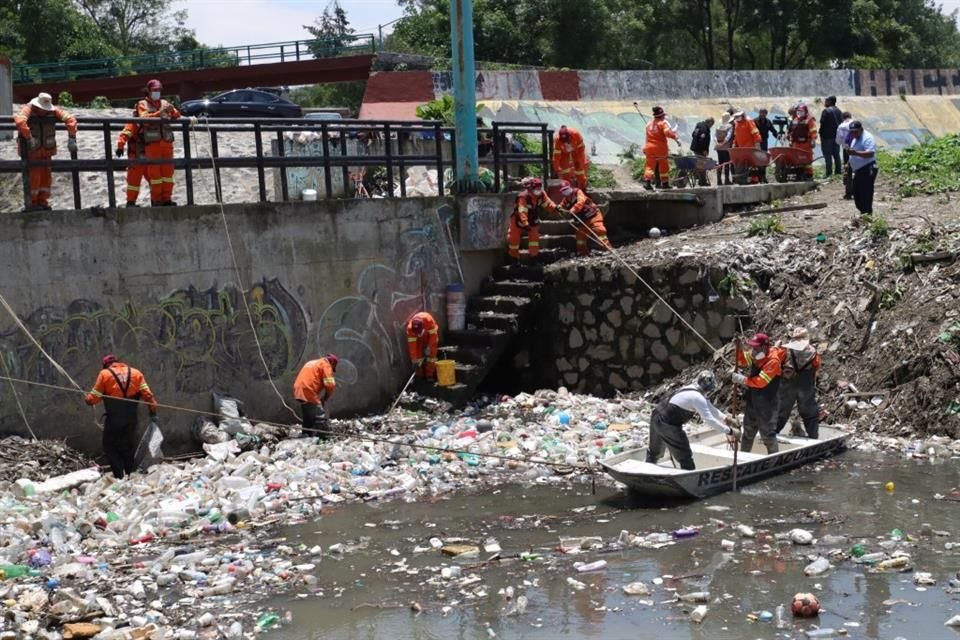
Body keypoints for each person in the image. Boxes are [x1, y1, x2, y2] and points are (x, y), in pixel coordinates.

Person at [645, 370, 740, 471]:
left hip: (656, 416)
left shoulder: (689, 389)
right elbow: (709, 420)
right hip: (668, 424)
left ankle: (646, 472)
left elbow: (710, 407)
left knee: (654, 453)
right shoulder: (698, 398)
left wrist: (726, 418)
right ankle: (690, 475)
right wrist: (730, 431)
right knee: (684, 455)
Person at [85, 354, 158, 479]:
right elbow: (149, 396)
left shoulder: (104, 374)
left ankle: (119, 475)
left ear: (106, 365)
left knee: (109, 446)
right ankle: (129, 474)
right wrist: (153, 412)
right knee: (127, 446)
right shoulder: (136, 373)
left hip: (114, 419)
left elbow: (93, 399)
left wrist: (88, 399)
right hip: (131, 419)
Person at [13, 92, 78, 211]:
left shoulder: (54, 111)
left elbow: (70, 119)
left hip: (46, 151)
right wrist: (29, 137)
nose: (44, 111)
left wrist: (71, 137)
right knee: (33, 178)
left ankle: (43, 202)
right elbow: (19, 120)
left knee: (46, 179)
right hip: (31, 152)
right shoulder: (28, 109)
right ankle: (31, 204)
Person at [731, 332, 786, 454]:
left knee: (767, 435)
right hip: (753, 400)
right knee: (748, 432)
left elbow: (761, 382)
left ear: (765, 347)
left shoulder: (773, 361)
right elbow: (742, 360)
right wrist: (739, 348)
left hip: (768, 404)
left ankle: (774, 459)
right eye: (753, 347)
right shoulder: (756, 356)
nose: (753, 350)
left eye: (756, 347)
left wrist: (743, 379)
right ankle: (744, 457)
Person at [136, 79, 182, 207]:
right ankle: (156, 200)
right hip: (152, 143)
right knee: (155, 174)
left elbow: (177, 115)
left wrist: (172, 110)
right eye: (155, 90)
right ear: (148, 91)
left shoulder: (165, 103)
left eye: (159, 90)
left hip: (166, 142)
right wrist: (159, 113)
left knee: (168, 174)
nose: (157, 92)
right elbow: (144, 119)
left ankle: (167, 199)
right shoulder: (142, 104)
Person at [776, 327, 821, 438]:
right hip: (805, 384)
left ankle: (772, 433)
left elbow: (776, 361)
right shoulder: (813, 352)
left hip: (787, 383)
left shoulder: (785, 350)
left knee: (781, 409)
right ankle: (813, 436)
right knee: (809, 410)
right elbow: (816, 366)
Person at [507, 176, 557, 263]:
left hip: (533, 217)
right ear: (531, 188)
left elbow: (547, 203)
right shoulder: (524, 196)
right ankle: (514, 259)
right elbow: (522, 211)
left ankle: (534, 257)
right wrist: (525, 223)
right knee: (513, 239)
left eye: (539, 188)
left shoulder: (541, 194)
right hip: (518, 219)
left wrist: (555, 208)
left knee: (534, 239)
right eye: (536, 188)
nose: (538, 190)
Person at [557, 180, 610, 256]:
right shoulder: (566, 199)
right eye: (563, 191)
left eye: (566, 189)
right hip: (582, 219)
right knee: (580, 236)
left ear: (570, 187)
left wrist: (573, 210)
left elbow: (580, 202)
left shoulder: (578, 192)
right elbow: (562, 205)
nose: (565, 192)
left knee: (599, 230)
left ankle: (608, 249)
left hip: (592, 215)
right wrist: (559, 207)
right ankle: (583, 252)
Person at [293, 353, 338, 438]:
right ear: (332, 363)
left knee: (308, 413)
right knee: (320, 415)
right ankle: (325, 436)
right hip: (307, 390)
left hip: (299, 389)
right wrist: (326, 397)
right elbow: (330, 384)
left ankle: (306, 433)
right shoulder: (326, 364)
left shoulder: (312, 362)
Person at [845, 120, 877, 215]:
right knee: (857, 192)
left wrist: (855, 153)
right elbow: (854, 152)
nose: (853, 134)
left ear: (861, 129)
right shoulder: (855, 138)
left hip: (867, 168)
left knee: (865, 192)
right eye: (852, 132)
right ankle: (863, 211)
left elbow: (870, 153)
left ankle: (867, 213)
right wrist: (849, 163)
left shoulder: (867, 138)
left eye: (856, 131)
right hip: (858, 170)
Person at [115, 109, 146, 207]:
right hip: (143, 157)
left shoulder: (136, 123)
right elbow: (125, 134)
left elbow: (125, 134)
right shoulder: (137, 123)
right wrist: (120, 146)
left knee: (135, 182)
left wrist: (120, 147)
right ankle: (157, 201)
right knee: (135, 182)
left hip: (140, 156)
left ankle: (131, 202)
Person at [552, 125, 588, 190]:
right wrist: (556, 169)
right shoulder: (557, 140)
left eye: (567, 140)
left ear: (570, 136)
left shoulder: (576, 134)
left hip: (576, 150)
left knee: (579, 168)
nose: (566, 143)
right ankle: (568, 188)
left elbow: (581, 151)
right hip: (564, 153)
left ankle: (582, 186)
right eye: (564, 141)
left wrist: (581, 163)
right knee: (565, 169)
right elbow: (556, 157)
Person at [732, 111, 762, 183]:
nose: (737, 118)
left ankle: (755, 179)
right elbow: (736, 136)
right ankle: (743, 179)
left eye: (738, 116)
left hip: (750, 147)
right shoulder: (737, 124)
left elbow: (755, 132)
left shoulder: (749, 121)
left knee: (753, 163)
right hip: (741, 148)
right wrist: (734, 144)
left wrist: (757, 142)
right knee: (743, 164)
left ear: (743, 116)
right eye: (736, 117)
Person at [406, 312, 439, 378]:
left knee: (432, 354)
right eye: (417, 333)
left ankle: (430, 374)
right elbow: (412, 346)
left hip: (429, 336)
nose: (419, 334)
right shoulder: (410, 329)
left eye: (420, 332)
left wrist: (429, 347)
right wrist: (414, 360)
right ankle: (419, 375)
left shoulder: (429, 321)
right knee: (417, 356)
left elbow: (433, 336)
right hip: (418, 340)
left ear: (423, 326)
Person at [789, 104, 817, 180]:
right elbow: (792, 132)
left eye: (801, 111)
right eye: (798, 111)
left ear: (805, 111)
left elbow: (813, 131)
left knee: (807, 161)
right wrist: (791, 140)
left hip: (806, 143)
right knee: (797, 160)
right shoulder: (795, 120)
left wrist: (813, 140)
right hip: (796, 144)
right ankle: (798, 175)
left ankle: (809, 175)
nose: (799, 113)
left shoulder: (809, 119)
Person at [819, 96, 843, 178]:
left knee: (827, 155)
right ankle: (838, 172)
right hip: (836, 137)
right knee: (836, 155)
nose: (825, 102)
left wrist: (821, 134)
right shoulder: (839, 111)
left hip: (826, 137)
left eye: (826, 101)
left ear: (830, 101)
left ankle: (829, 173)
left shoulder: (826, 111)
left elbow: (822, 123)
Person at [689, 117, 714, 186]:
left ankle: (700, 179)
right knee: (702, 165)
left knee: (700, 164)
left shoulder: (699, 124)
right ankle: (702, 182)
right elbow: (702, 140)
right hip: (700, 149)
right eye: (712, 125)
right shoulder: (705, 128)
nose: (711, 126)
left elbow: (693, 134)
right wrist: (704, 150)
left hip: (695, 148)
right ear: (710, 123)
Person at [837, 111, 855, 200]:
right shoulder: (856, 123)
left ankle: (849, 193)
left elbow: (838, 141)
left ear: (842, 118)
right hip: (858, 150)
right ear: (850, 116)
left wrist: (844, 144)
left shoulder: (841, 126)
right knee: (859, 170)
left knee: (848, 171)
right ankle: (859, 191)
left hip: (847, 151)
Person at [755, 109, 777, 183]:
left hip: (764, 142)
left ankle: (763, 177)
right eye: (761, 113)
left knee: (764, 159)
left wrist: (778, 136)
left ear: (766, 114)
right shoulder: (755, 121)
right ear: (759, 113)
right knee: (757, 159)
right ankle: (758, 177)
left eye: (764, 113)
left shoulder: (768, 121)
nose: (763, 114)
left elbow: (773, 130)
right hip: (757, 143)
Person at [714, 112, 734, 186]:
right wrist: (723, 143)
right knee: (726, 163)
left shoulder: (718, 126)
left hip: (718, 147)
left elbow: (714, 136)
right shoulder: (730, 126)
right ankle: (727, 180)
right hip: (726, 147)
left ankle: (719, 180)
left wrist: (717, 143)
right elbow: (728, 136)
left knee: (720, 163)